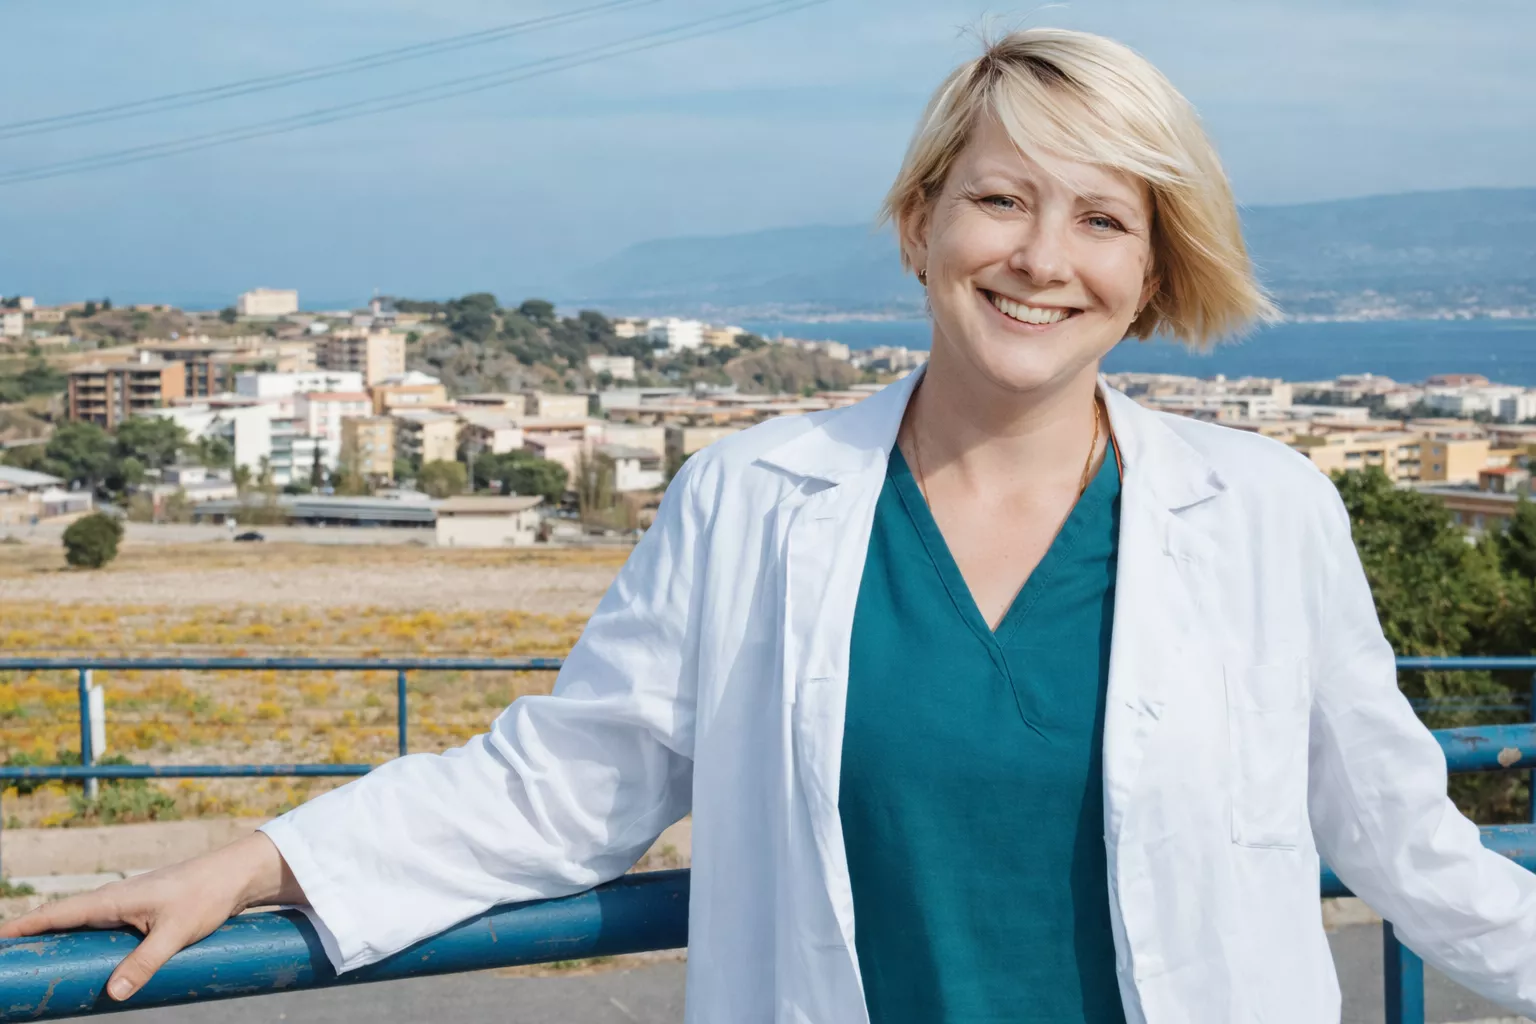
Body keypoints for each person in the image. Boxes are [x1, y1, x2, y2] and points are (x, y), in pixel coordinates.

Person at [6, 27, 1536, 1023]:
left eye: (1102, 218)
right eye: (1001, 200)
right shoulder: (753, 497)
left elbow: (1399, 838)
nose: (1041, 258)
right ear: (922, 223)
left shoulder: (1262, 512)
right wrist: (259, 864)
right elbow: (566, 785)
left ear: (1153, 272)